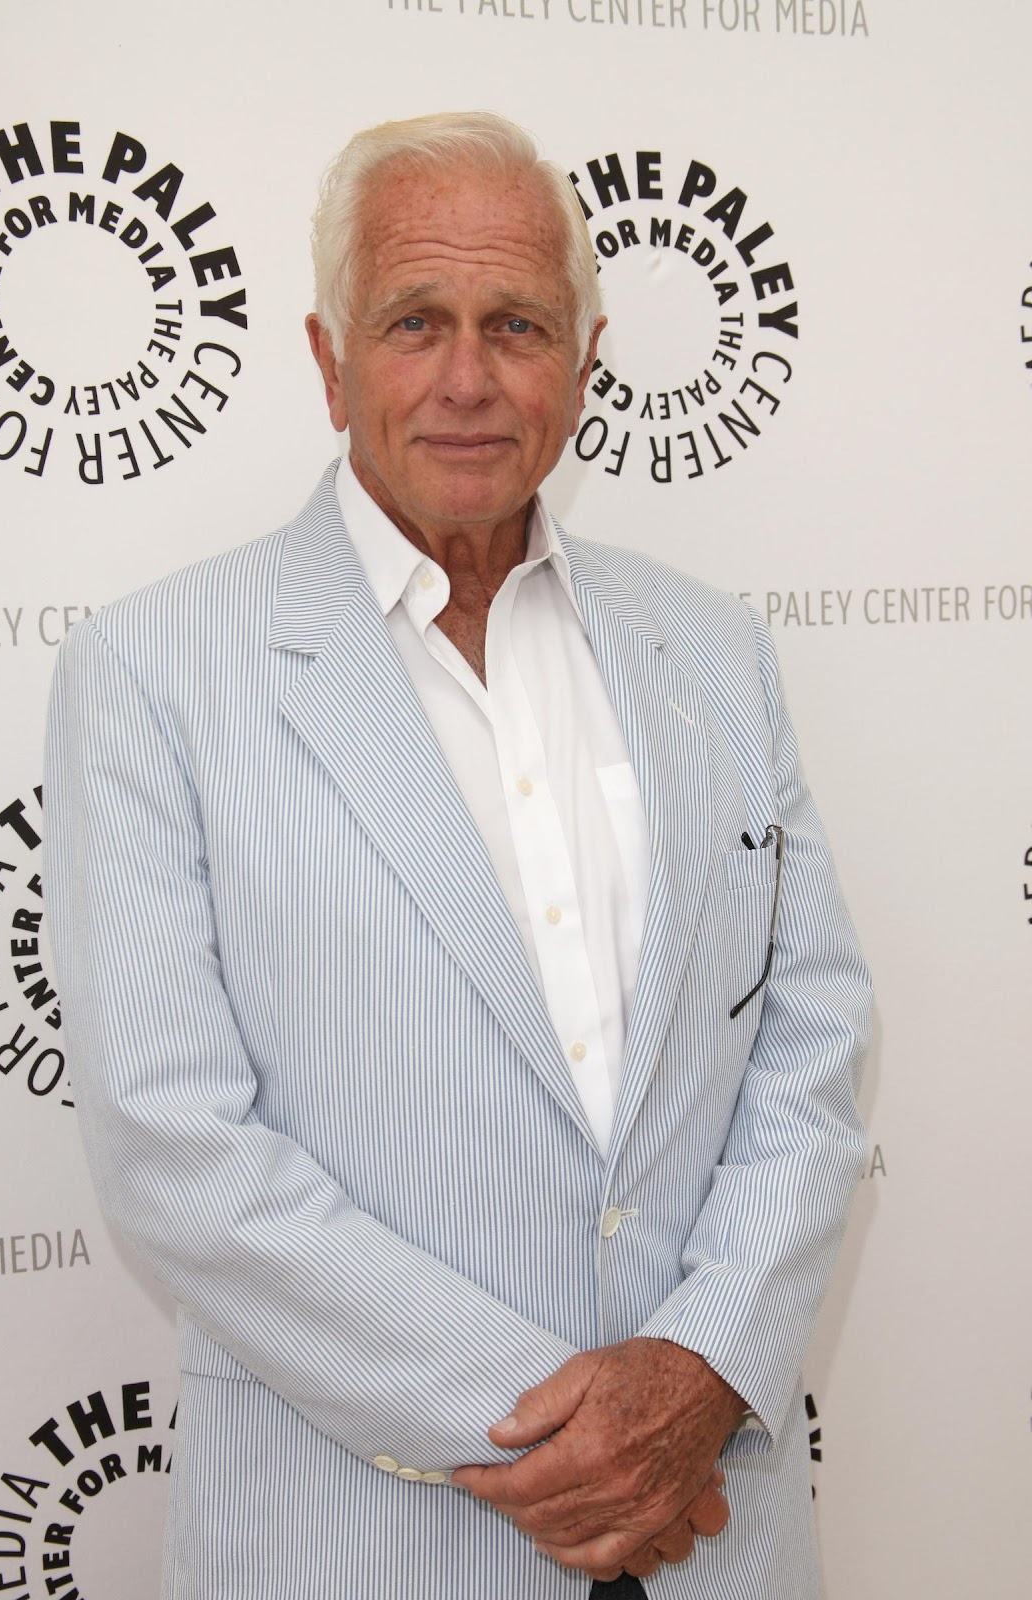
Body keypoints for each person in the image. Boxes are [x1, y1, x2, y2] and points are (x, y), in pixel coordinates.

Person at [44, 111, 871, 1600]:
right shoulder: (157, 669)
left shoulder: (717, 650)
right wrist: (583, 1437)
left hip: (717, 1533)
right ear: (328, 358)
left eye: (519, 325)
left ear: (588, 356)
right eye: (415, 322)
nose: (470, 379)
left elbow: (811, 1044)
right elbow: (176, 1148)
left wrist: (698, 1369)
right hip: (355, 1536)